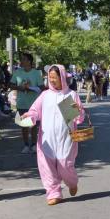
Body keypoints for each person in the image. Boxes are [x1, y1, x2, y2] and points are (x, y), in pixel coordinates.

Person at [22, 65, 85, 205]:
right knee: (47, 167)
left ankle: (72, 182)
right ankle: (54, 193)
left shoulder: (71, 95)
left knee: (66, 166)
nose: (52, 80)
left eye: (54, 77)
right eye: (50, 78)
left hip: (66, 139)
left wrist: (78, 112)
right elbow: (35, 111)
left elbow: (78, 118)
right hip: (47, 139)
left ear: (62, 77)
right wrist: (29, 117)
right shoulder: (45, 95)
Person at [9, 52, 44, 154]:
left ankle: (33, 144)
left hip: (34, 103)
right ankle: (25, 145)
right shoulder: (17, 72)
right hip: (22, 103)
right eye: (21, 59)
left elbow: (42, 87)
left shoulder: (36, 73)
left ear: (29, 61)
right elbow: (11, 84)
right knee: (24, 125)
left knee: (33, 125)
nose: (21, 61)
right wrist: (20, 87)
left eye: (23, 59)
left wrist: (32, 88)